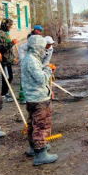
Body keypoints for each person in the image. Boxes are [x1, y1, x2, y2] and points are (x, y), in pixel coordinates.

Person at [21, 35, 58, 166]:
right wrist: (49, 68)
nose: (44, 50)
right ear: (37, 47)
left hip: (33, 97)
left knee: (32, 123)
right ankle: (40, 153)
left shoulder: (30, 58)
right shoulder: (31, 60)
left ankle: (34, 147)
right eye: (42, 47)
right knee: (40, 126)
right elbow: (41, 79)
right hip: (38, 99)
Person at [0, 19, 17, 102]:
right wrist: (12, 43)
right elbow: (1, 48)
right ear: (6, 25)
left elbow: (8, 48)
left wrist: (13, 56)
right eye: (9, 26)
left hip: (8, 59)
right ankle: (3, 94)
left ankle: (5, 92)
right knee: (7, 77)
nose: (10, 27)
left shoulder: (4, 33)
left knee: (9, 77)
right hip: (4, 60)